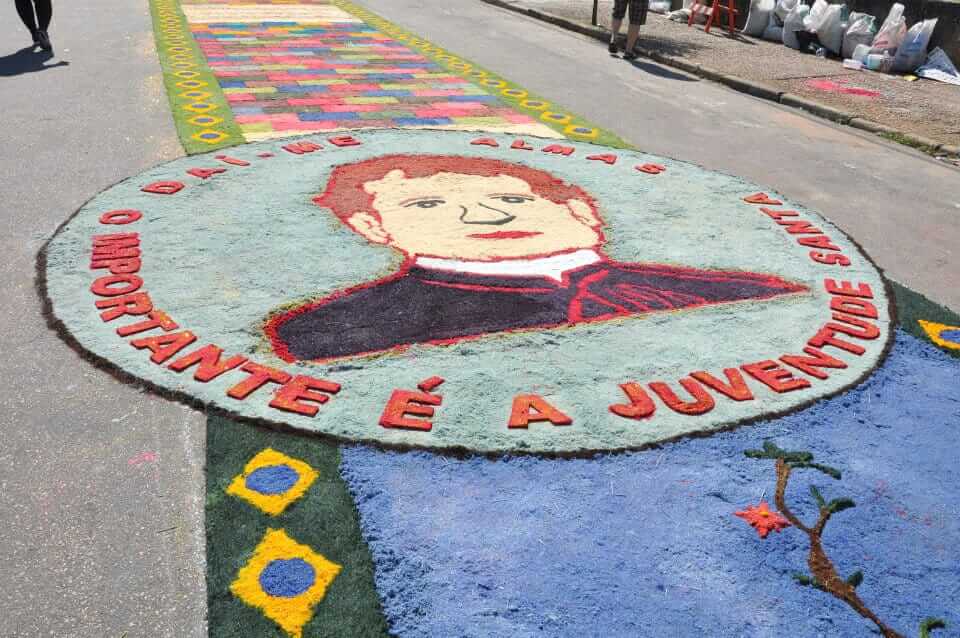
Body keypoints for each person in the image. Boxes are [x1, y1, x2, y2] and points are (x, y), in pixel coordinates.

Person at [267, 154, 806, 362]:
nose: (485, 216)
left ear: (580, 210)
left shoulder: (747, 294)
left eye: (512, 199)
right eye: (428, 204)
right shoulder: (323, 335)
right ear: (371, 228)